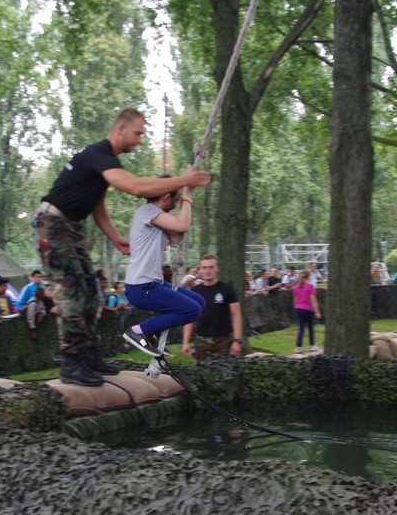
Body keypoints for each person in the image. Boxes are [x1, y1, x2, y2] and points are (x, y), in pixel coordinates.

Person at [32, 107, 211, 386]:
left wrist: (115, 237)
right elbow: (136, 187)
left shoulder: (104, 164)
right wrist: (185, 181)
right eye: (137, 133)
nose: (140, 140)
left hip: (71, 226)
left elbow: (98, 206)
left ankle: (88, 354)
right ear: (120, 129)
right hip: (51, 224)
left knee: (90, 290)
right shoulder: (98, 155)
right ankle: (71, 361)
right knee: (72, 291)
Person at [123, 179, 205, 357]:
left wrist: (183, 199)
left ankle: (152, 332)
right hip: (141, 287)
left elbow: (176, 237)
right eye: (175, 201)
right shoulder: (148, 211)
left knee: (200, 302)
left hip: (153, 283)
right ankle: (138, 331)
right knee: (192, 310)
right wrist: (188, 195)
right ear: (167, 197)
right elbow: (182, 225)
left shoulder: (157, 218)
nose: (176, 204)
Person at [181, 254, 243, 361]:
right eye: (204, 267)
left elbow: (236, 314)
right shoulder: (194, 292)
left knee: (226, 371)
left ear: (217, 268)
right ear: (200, 270)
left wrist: (237, 341)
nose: (208, 271)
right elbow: (189, 319)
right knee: (202, 371)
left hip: (224, 341)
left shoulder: (227, 289)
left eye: (211, 267)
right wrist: (185, 342)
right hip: (202, 342)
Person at [292, 269, 322, 353]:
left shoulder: (295, 287)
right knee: (310, 328)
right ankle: (312, 346)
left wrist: (296, 307)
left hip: (298, 309)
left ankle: (298, 347)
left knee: (301, 329)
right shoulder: (310, 286)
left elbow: (295, 300)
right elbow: (313, 300)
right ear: (309, 276)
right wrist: (317, 312)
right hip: (307, 309)